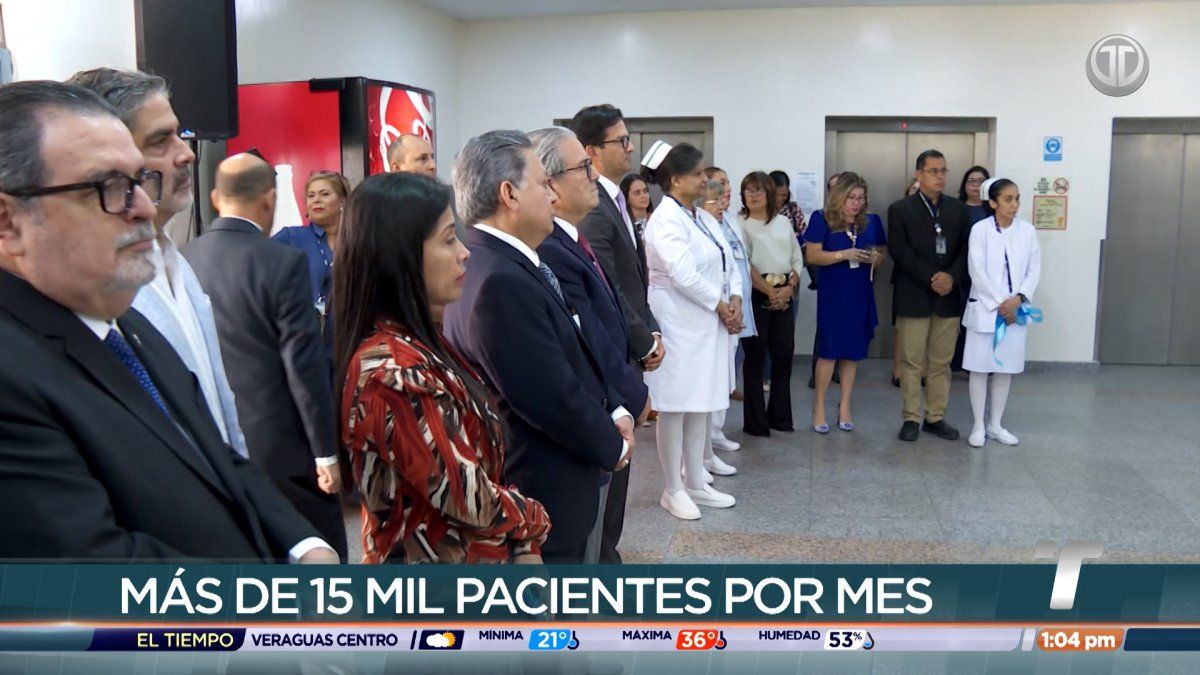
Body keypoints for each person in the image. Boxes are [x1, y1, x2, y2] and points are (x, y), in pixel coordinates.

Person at [0, 80, 335, 562]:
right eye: (108, 188)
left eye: (139, 182)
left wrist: (303, 545)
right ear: (9, 222)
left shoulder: (124, 326)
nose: (140, 205)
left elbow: (219, 457)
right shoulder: (13, 371)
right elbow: (96, 574)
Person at [334, 171, 550, 563]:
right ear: (400, 255)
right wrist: (531, 518)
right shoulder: (393, 372)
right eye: (449, 239)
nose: (464, 252)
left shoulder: (423, 340)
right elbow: (468, 497)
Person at [442, 130, 634, 563]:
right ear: (509, 194)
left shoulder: (512, 261)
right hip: (542, 485)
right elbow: (548, 396)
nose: (553, 195)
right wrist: (612, 443)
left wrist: (612, 408)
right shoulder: (498, 281)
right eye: (543, 183)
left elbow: (574, 347)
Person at [67, 67, 249, 459]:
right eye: (160, 141)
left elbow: (218, 401)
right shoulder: (102, 285)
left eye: (178, 134)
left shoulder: (179, 264)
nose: (187, 153)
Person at [184, 153, 347, 560]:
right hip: (285, 450)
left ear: (217, 197)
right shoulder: (283, 262)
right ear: (269, 200)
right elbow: (303, 365)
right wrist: (326, 454)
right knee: (321, 563)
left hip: (214, 444)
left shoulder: (184, 260)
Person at [531, 126, 650, 563]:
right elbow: (587, 335)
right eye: (583, 168)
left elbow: (611, 303)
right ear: (549, 185)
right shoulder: (549, 248)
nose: (593, 176)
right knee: (586, 531)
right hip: (596, 405)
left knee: (605, 521)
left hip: (613, 397)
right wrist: (625, 397)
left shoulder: (572, 236)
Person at [641, 141, 742, 520]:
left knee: (700, 402)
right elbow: (682, 274)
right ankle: (674, 488)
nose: (705, 180)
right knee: (675, 406)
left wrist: (733, 298)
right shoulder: (665, 219)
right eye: (699, 174)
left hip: (707, 324)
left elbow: (727, 259)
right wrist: (720, 305)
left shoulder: (702, 217)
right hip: (679, 324)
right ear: (676, 179)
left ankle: (697, 481)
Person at [571, 105, 665, 375]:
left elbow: (634, 277)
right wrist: (644, 342)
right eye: (621, 140)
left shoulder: (615, 200)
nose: (631, 147)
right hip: (616, 348)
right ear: (591, 151)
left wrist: (651, 328)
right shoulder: (594, 205)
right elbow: (607, 285)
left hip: (632, 338)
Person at [888, 150, 970, 442]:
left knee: (940, 362)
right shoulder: (901, 209)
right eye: (933, 171)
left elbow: (964, 250)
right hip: (914, 294)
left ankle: (936, 417)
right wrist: (930, 278)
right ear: (918, 175)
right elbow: (900, 251)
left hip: (948, 296)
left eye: (943, 171)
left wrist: (950, 276)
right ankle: (911, 417)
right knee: (912, 363)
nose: (940, 176)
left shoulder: (958, 210)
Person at [803, 172, 887, 433]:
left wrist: (875, 258)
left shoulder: (870, 221)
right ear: (840, 196)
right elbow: (813, 256)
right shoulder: (822, 218)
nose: (856, 203)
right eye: (851, 197)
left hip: (860, 292)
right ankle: (819, 406)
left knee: (852, 352)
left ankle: (845, 405)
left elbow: (881, 252)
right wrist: (844, 254)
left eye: (861, 198)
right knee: (829, 351)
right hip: (834, 294)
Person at [963, 178, 1041, 448]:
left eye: (1017, 198)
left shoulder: (1027, 231)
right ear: (993, 203)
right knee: (979, 367)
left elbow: (1034, 269)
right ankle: (978, 426)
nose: (1015, 204)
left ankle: (996, 424)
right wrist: (1000, 302)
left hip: (1015, 311)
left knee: (1005, 368)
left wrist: (1017, 299)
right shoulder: (980, 230)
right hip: (986, 309)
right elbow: (977, 270)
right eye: (1008, 199)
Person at [738, 171, 805, 437]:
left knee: (783, 354)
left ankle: (780, 416)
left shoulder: (783, 223)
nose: (752, 195)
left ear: (768, 192)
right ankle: (756, 423)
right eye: (747, 190)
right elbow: (744, 263)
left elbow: (796, 257)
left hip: (784, 292)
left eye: (757, 190)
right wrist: (769, 292)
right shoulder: (740, 224)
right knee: (755, 357)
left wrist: (789, 288)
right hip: (757, 293)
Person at [273, 170, 352, 374]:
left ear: (343, 201)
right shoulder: (291, 237)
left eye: (325, 194)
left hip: (350, 343)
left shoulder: (358, 241)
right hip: (307, 347)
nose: (316, 199)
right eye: (311, 195)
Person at [701, 168, 755, 463]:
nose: (725, 193)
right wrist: (724, 306)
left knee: (726, 374)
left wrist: (736, 301)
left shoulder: (730, 220)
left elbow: (736, 266)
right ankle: (706, 438)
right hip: (714, 312)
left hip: (733, 307)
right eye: (718, 186)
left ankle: (717, 430)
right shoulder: (700, 224)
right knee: (713, 375)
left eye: (726, 184)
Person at [951, 165, 991, 373]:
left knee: (982, 319)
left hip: (987, 276)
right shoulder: (955, 209)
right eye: (971, 181)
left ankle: (981, 363)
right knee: (958, 317)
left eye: (981, 181)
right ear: (964, 185)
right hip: (960, 272)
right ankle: (957, 361)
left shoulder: (992, 210)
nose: (976, 185)